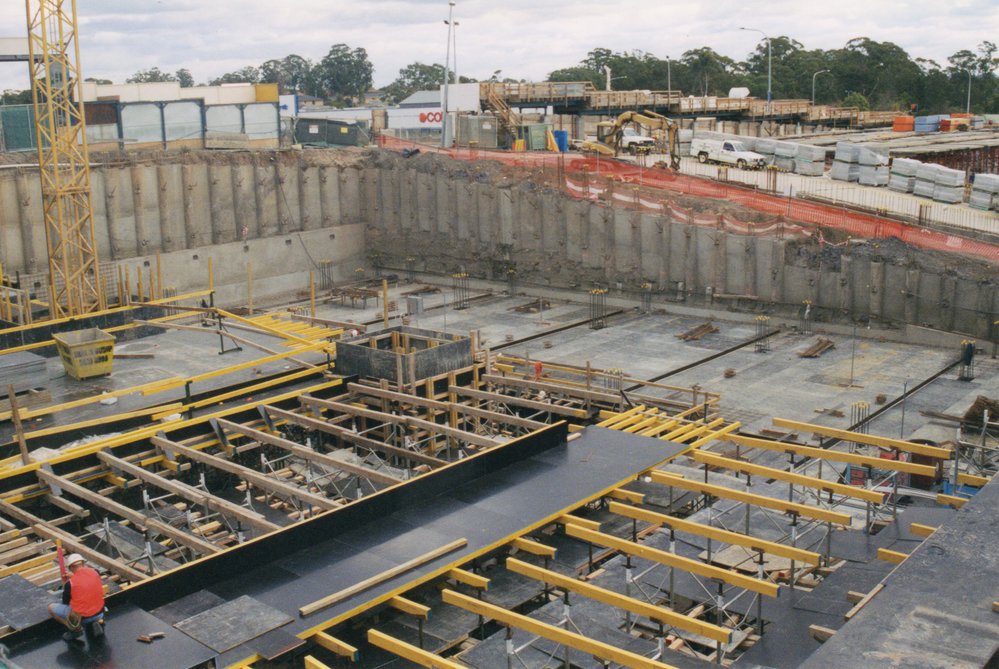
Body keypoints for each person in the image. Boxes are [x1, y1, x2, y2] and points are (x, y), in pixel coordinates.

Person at [48, 553, 105, 643]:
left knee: (51, 608)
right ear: (83, 564)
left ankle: (76, 630)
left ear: (71, 568)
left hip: (83, 618)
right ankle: (96, 621)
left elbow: (66, 602)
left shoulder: (70, 584)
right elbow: (85, 579)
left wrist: (68, 584)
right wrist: (74, 577)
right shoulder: (95, 572)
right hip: (100, 613)